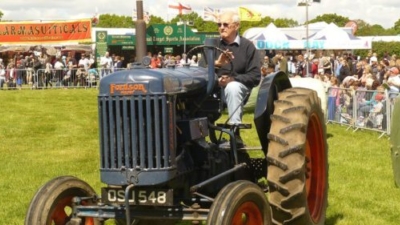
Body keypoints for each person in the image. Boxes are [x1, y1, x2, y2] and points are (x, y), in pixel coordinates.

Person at [214, 11, 261, 148]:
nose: (221, 27)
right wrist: (217, 64)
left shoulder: (247, 47)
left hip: (239, 88)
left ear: (236, 26)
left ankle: (235, 134)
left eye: (225, 24)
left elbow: (255, 76)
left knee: (232, 87)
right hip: (214, 87)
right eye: (219, 24)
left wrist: (233, 79)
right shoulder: (212, 44)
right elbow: (200, 71)